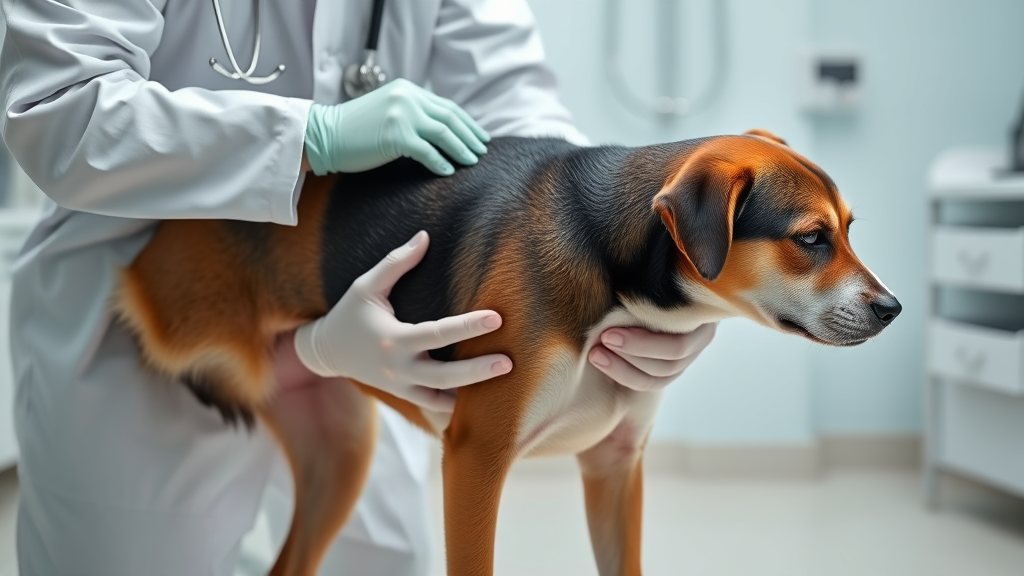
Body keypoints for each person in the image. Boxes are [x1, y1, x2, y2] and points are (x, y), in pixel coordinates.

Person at [0, 0, 717, 574]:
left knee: (380, 557)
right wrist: (309, 136)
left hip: (373, 329)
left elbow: (517, 111)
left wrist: (632, 271)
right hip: (146, 305)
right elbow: (61, 109)